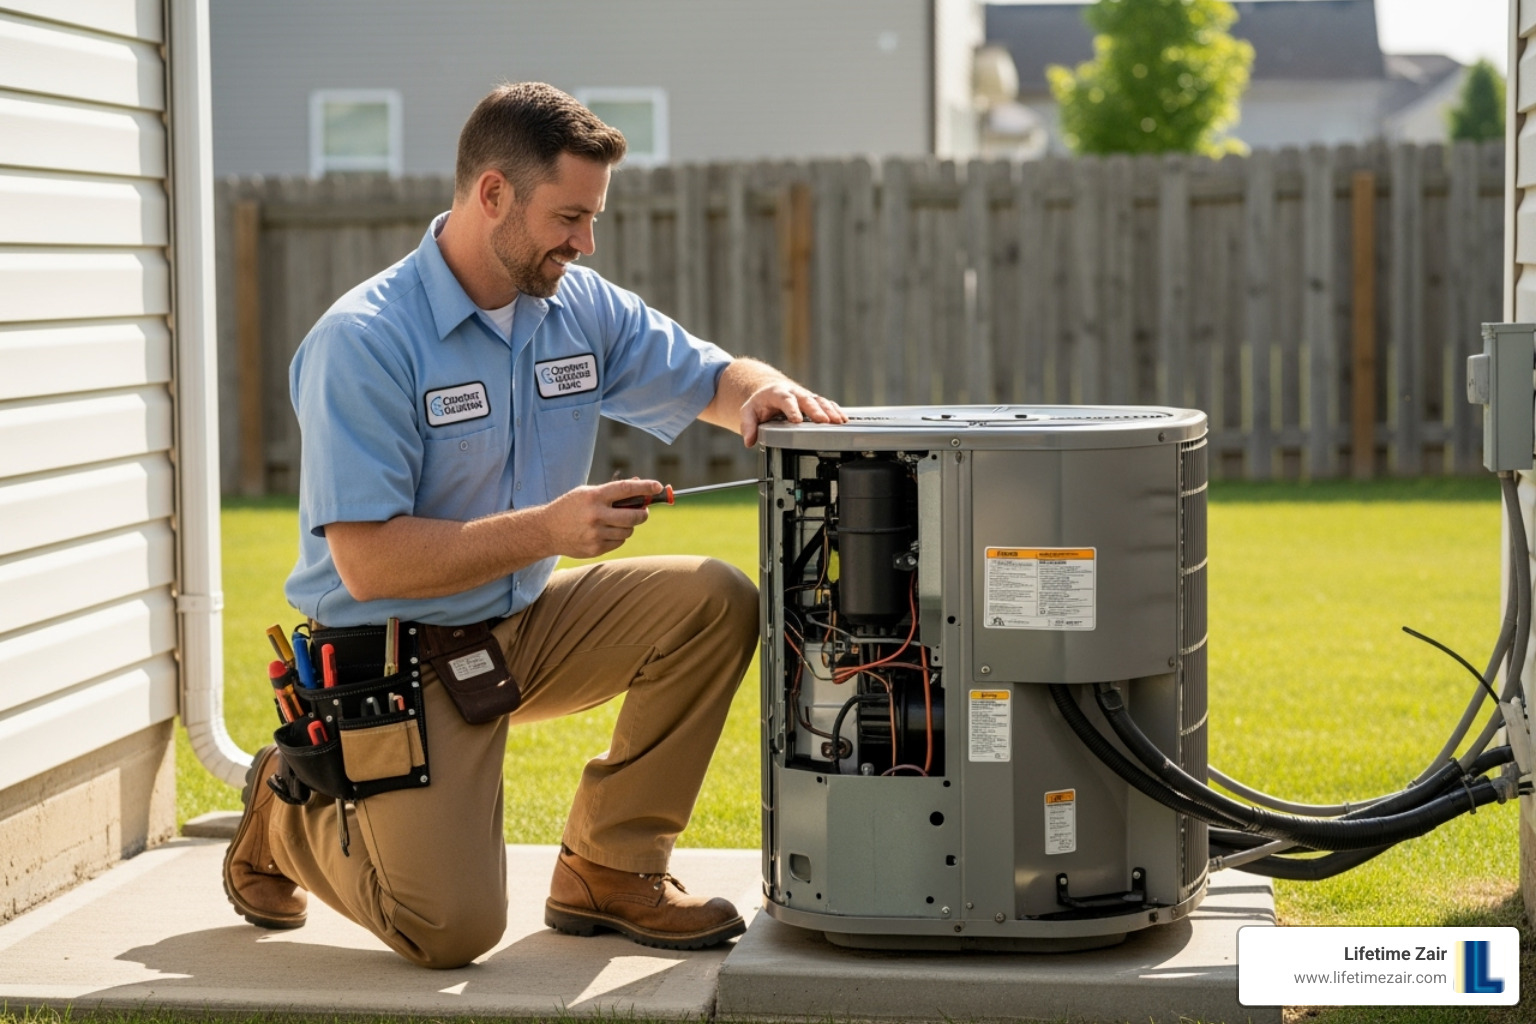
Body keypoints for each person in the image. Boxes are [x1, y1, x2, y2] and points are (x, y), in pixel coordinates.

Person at [221, 81, 846, 968]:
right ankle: (288, 811)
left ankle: (610, 868)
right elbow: (366, 562)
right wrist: (549, 530)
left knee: (713, 600)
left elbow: (710, 375)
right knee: (449, 931)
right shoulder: (363, 340)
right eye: (569, 216)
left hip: (517, 625)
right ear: (492, 195)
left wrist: (764, 393)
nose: (585, 242)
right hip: (394, 650)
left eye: (593, 219)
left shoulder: (576, 306)